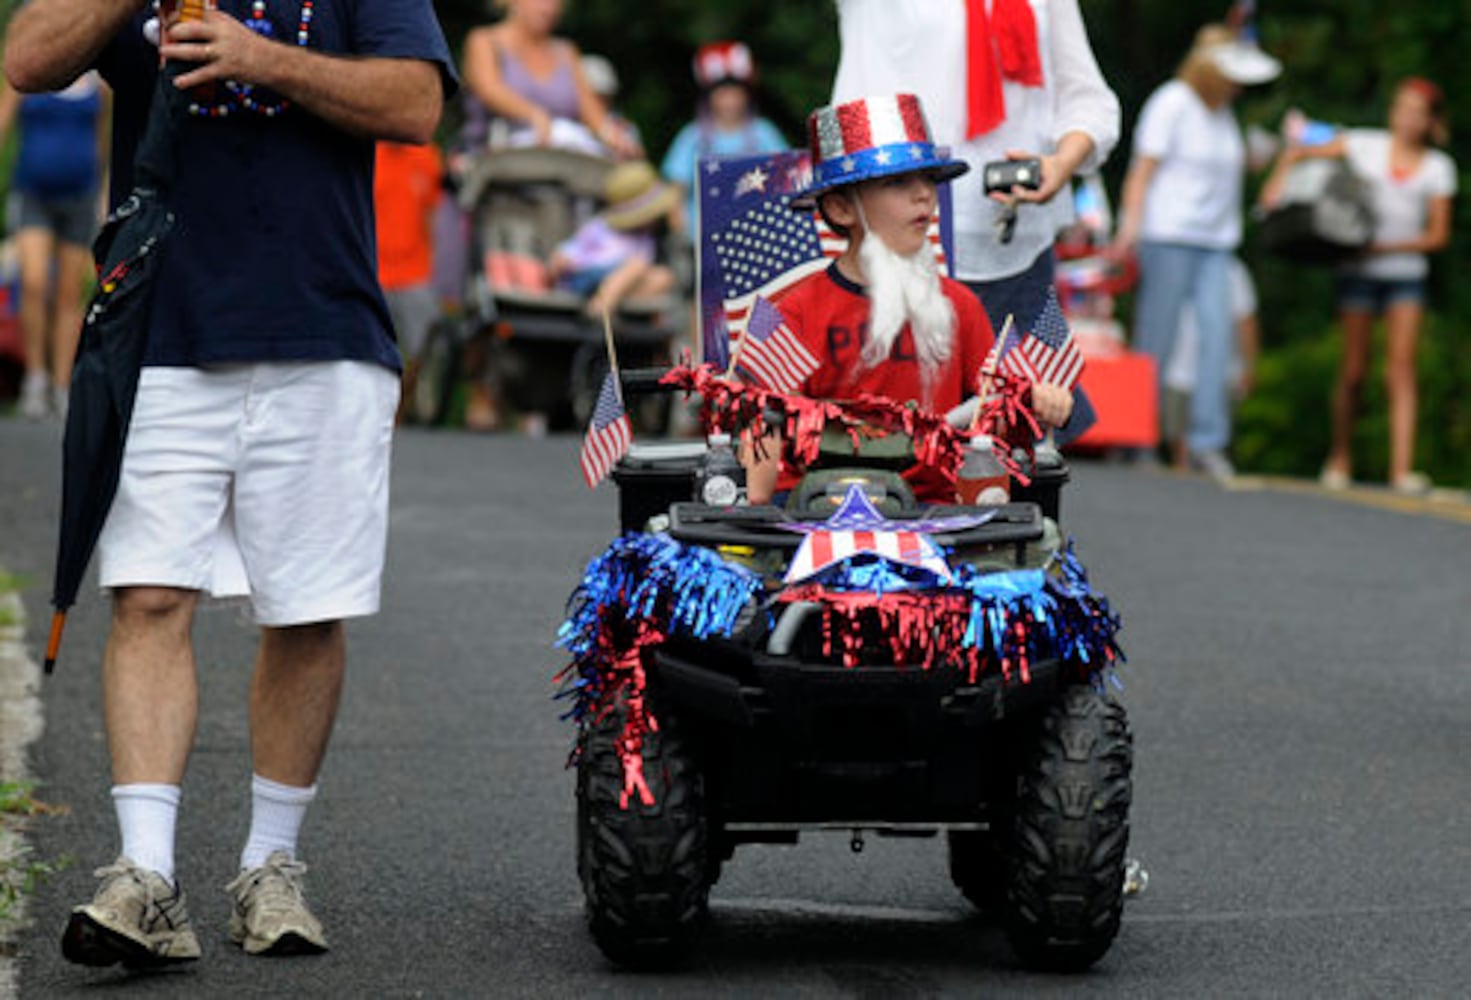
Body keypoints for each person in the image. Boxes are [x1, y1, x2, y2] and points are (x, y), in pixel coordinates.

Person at [5, 0, 453, 969]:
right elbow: (30, 58)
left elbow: (417, 103)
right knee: (150, 592)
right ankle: (145, 877)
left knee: (306, 607)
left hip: (325, 327)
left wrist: (263, 58)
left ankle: (270, 865)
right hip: (161, 325)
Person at [743, 95, 1073, 506]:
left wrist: (1036, 401)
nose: (925, 197)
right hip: (816, 509)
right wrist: (755, 522)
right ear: (842, 208)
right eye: (897, 182)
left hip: (935, 513)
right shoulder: (792, 311)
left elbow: (996, 417)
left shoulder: (961, 306)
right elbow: (761, 429)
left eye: (928, 180)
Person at [830, 0, 1119, 442]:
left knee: (1020, 454)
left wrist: (1062, 162)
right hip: (896, 249)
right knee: (895, 448)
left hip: (1012, 249)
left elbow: (1087, 99)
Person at [1261, 78, 1456, 494]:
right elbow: (1303, 144)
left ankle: (1402, 469)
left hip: (1405, 274)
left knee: (1400, 370)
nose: (1406, 119)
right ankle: (1340, 456)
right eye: (1400, 108)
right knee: (1354, 369)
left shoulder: (1439, 168)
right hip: (1358, 273)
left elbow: (1438, 235)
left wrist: (1382, 248)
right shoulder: (1366, 145)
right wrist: (1277, 185)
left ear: (1429, 121)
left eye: (1416, 112)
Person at [1112, 24, 1280, 481]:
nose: (1238, 86)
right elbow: (1142, 170)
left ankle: (1208, 441)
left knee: (1216, 336)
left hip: (1216, 242)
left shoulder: (1225, 115)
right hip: (1168, 234)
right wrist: (1129, 227)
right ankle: (1139, 437)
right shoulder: (1173, 103)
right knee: (1157, 337)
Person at [0, 72, 105, 421]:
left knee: (69, 293)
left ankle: (61, 386)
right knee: (32, 282)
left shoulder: (98, 76)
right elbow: (4, 118)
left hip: (80, 194)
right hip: (33, 192)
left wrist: (106, 190)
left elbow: (105, 136)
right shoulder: (31, 63)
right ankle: (34, 378)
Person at [460, 0, 637, 157]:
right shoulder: (484, 40)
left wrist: (613, 136)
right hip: (493, 158)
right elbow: (489, 89)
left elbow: (590, 110)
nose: (549, 8)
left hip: (559, 163)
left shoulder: (567, 52)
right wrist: (533, 114)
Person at [660, 41, 786, 238]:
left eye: (736, 92)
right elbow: (675, 189)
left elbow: (786, 177)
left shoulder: (764, 132)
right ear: (709, 97)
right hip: (701, 237)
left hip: (756, 233)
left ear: (747, 95)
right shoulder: (692, 136)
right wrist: (678, 226)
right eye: (722, 92)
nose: (729, 100)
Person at [1162, 255, 1259, 469]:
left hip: (1220, 374)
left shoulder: (1232, 270)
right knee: (1177, 441)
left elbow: (1246, 320)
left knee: (1209, 444)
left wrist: (1249, 366)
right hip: (1174, 372)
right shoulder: (1168, 265)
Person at [550, 160, 678, 318]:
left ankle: (611, 305)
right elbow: (568, 252)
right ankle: (599, 309)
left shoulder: (647, 237)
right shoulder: (601, 228)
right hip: (587, 276)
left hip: (619, 285)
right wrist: (562, 260)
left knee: (664, 277)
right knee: (637, 264)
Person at [374, 138, 445, 421]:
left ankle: (413, 406)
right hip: (374, 271)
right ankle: (382, 411)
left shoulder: (426, 156)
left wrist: (433, 265)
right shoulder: (369, 151)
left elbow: (432, 214)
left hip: (415, 271)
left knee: (425, 348)